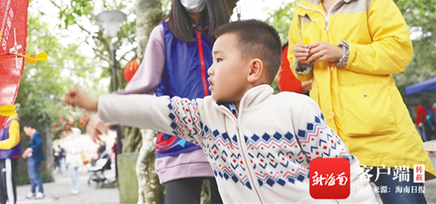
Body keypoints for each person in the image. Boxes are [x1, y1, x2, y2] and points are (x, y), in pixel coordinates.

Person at [63, 19, 378, 203]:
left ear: (254, 69)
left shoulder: (294, 108)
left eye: (219, 59)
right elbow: (153, 108)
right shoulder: (206, 119)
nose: (210, 70)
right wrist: (97, 105)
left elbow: (343, 174)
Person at [288, 0, 435, 203]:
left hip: (388, 138)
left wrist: (342, 53)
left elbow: (398, 52)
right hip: (327, 141)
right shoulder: (302, 13)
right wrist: (301, 61)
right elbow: (297, 72)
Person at [88, 0, 229, 203]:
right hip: (178, 143)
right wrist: (105, 111)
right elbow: (142, 85)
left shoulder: (230, 34)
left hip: (227, 142)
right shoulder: (163, 34)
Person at [0, 112, 21, 204]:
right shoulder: (4, 123)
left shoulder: (13, 122)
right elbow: (3, 139)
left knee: (8, 184)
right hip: (1, 157)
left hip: (8, 157)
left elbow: (13, 140)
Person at [23, 124, 45, 199]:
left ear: (29, 128)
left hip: (36, 158)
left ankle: (40, 191)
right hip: (31, 157)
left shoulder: (36, 134)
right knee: (32, 175)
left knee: (36, 175)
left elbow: (40, 143)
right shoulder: (32, 136)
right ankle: (32, 191)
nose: (26, 133)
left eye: (26, 131)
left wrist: (31, 149)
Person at [65, 128, 83, 195]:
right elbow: (68, 152)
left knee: (74, 174)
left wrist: (73, 151)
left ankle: (77, 188)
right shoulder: (71, 141)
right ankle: (75, 187)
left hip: (75, 160)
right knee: (72, 175)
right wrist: (67, 161)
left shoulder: (77, 141)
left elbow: (80, 149)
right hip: (70, 160)